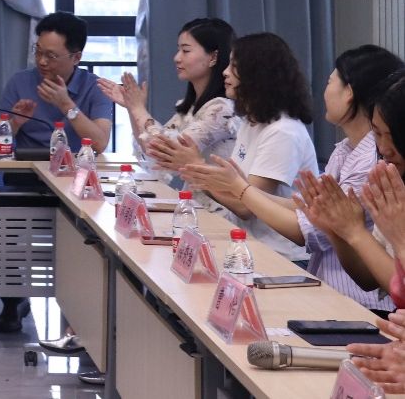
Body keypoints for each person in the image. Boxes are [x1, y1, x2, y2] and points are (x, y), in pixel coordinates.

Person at [179, 45, 402, 309]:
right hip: (333, 288)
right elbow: (313, 212)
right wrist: (236, 186)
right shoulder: (344, 149)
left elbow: (303, 228)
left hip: (349, 296)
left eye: (234, 66)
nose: (225, 73)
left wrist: (238, 188)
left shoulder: (369, 161)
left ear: (349, 92)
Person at [0, 11, 113, 338]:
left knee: (88, 238)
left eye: (51, 55)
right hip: (26, 181)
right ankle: (12, 300)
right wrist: (15, 122)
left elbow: (100, 141)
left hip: (77, 185)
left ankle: (78, 311)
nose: (42, 62)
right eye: (38, 51)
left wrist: (67, 106)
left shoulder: (94, 88)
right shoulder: (21, 81)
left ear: (76, 57)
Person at [159, 32, 319, 264]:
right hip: (249, 247)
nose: (225, 72)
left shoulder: (283, 132)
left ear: (258, 73)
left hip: (283, 257)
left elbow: (245, 206)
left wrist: (196, 167)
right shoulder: (251, 123)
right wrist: (196, 170)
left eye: (234, 67)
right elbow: (237, 193)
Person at [291, 68, 405, 306]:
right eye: (377, 133)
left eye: (393, 135)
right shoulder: (392, 181)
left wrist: (357, 232)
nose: (384, 148)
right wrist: (338, 230)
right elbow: (369, 279)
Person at [98, 17, 238, 202]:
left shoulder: (221, 109)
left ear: (213, 57)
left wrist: (138, 109)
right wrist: (133, 108)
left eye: (186, 51)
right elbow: (152, 150)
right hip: (194, 204)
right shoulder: (191, 107)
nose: (177, 58)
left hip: (219, 209)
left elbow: (169, 149)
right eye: (178, 50)